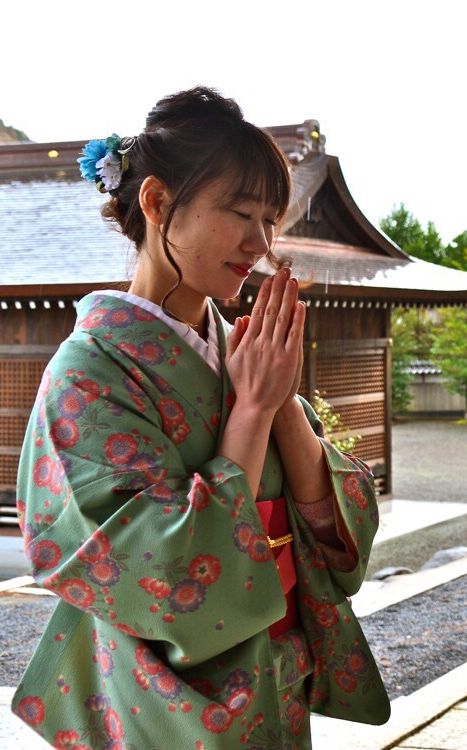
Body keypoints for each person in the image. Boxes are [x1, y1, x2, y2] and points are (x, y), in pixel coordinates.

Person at [12, 86, 389, 749]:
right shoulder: (89, 373)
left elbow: (339, 538)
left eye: (271, 219)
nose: (261, 242)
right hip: (163, 690)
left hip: (277, 669)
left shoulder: (240, 353)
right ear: (158, 203)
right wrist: (251, 412)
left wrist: (281, 407)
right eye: (240, 213)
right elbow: (158, 566)